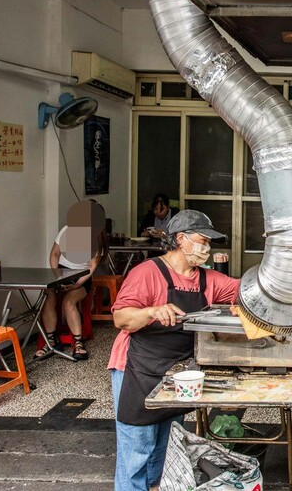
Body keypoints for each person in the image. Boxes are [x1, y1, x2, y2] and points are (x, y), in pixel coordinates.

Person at [108, 209, 239, 491]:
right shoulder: (147, 273)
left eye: (209, 243)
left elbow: (244, 291)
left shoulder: (207, 279)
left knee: (166, 448)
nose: (207, 248)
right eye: (203, 240)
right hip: (136, 370)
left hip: (176, 374)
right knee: (137, 451)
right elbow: (121, 318)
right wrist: (153, 311)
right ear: (181, 239)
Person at [35, 200, 108, 361]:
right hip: (60, 273)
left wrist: (77, 284)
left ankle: (78, 342)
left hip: (82, 276)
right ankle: (51, 340)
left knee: (69, 302)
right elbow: (54, 255)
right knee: (49, 296)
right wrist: (56, 276)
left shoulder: (98, 239)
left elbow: (91, 267)